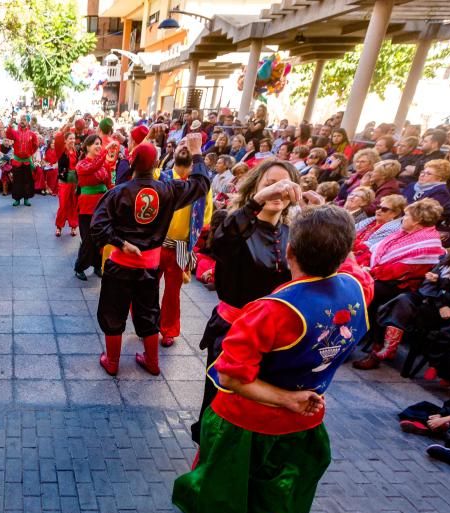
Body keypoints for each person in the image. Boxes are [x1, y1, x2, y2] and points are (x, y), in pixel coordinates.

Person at [172, 205, 373, 513]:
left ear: (290, 252)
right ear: (345, 254)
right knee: (279, 485)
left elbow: (232, 376)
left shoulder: (273, 309)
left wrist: (285, 398)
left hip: (247, 417)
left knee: (224, 481)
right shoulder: (357, 289)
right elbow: (355, 268)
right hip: (305, 417)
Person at [190, 160, 302, 443]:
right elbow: (221, 242)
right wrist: (257, 202)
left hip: (275, 338)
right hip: (233, 332)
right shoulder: (233, 224)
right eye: (270, 184)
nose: (278, 192)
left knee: (258, 406)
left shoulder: (292, 233)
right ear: (255, 188)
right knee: (221, 404)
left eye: (284, 185)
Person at [90, 136, 210, 376]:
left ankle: (112, 362)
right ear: (156, 164)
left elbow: (97, 226)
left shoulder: (118, 192)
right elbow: (200, 185)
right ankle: (152, 362)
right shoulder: (169, 189)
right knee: (148, 312)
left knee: (113, 312)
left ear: (132, 163)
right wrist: (197, 153)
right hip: (149, 267)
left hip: (120, 265)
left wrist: (119, 243)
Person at [354, 231, 450, 370]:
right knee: (402, 300)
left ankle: (382, 349)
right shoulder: (449, 261)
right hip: (435, 300)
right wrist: (441, 305)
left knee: (403, 308)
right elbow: (428, 284)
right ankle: (387, 348)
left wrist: (444, 291)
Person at [157, 143, 213, 347]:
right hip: (156, 245)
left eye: (190, 146)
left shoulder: (202, 184)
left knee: (173, 293)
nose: (185, 147)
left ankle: (168, 330)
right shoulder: (159, 176)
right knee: (146, 287)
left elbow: (206, 216)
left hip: (179, 247)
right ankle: (145, 323)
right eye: (182, 143)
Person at [73, 135, 112, 281]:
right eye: (96, 144)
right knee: (88, 239)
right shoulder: (82, 164)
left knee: (101, 237)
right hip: (86, 207)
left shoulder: (105, 164)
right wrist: (104, 153)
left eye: (100, 144)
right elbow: (93, 167)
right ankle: (79, 267)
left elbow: (109, 184)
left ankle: (97, 265)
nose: (99, 146)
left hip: (102, 207)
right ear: (87, 146)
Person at [5, 116, 39, 207]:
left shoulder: (32, 134)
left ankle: (26, 199)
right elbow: (8, 134)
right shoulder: (15, 133)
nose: (22, 121)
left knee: (27, 181)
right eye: (21, 120)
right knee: (17, 181)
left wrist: (30, 153)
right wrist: (10, 124)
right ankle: (17, 199)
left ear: (28, 122)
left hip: (27, 161)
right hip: (17, 162)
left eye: (24, 120)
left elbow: (36, 145)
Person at [54, 131, 79, 236]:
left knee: (74, 204)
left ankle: (73, 226)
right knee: (63, 204)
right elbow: (57, 138)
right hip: (64, 181)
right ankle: (59, 226)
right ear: (65, 140)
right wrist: (66, 127)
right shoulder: (62, 151)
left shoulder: (76, 151)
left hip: (74, 181)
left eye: (74, 138)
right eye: (70, 139)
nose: (73, 141)